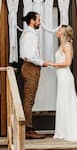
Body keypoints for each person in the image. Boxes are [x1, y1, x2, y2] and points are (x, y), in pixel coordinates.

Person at [45, 25, 77, 142]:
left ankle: (72, 130)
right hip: (61, 77)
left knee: (68, 102)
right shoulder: (61, 45)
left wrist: (53, 64)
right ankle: (63, 130)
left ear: (63, 33)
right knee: (63, 102)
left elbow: (68, 62)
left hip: (65, 77)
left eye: (59, 30)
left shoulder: (67, 45)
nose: (57, 31)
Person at [19, 11, 47, 139]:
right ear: (32, 21)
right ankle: (28, 129)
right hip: (31, 68)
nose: (40, 23)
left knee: (30, 100)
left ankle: (28, 128)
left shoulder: (30, 34)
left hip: (32, 68)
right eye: (39, 20)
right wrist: (42, 62)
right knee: (29, 100)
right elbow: (29, 56)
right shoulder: (29, 35)